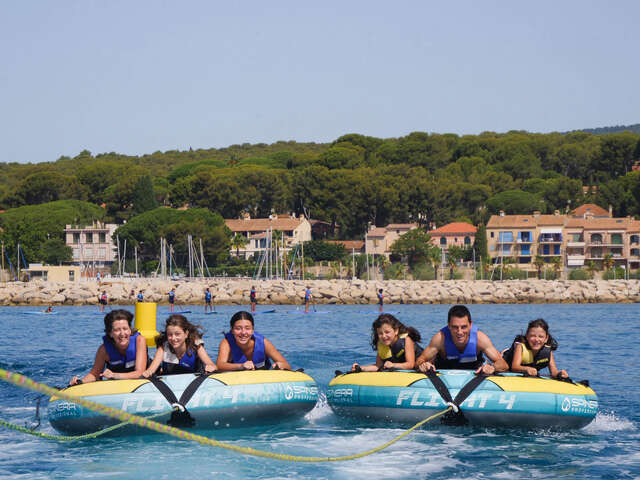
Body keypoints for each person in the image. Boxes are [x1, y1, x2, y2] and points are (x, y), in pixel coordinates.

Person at [416, 305, 508, 375]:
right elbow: (419, 361)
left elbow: (503, 365)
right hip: (443, 374)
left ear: (470, 325)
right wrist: (424, 365)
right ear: (448, 326)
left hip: (474, 376)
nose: (460, 332)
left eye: (464, 327)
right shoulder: (440, 339)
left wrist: (492, 367)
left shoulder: (480, 339)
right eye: (455, 327)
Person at [69, 309, 147, 385]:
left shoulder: (139, 341)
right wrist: (79, 382)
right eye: (117, 330)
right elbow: (94, 374)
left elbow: (140, 373)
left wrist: (114, 375)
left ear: (130, 330)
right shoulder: (104, 350)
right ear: (110, 333)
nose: (122, 333)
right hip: (117, 383)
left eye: (125, 329)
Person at [143, 315, 216, 377]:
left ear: (186, 334)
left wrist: (210, 367)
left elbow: (212, 365)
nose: (173, 338)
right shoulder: (163, 348)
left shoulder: (196, 346)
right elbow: (151, 369)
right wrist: (148, 372)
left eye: (177, 334)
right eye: (170, 335)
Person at [216, 311, 290, 371]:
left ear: (252, 330)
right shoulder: (226, 343)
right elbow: (220, 365)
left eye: (247, 328)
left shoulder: (263, 343)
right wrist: (241, 366)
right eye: (238, 328)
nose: (243, 332)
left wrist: (280, 365)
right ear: (232, 330)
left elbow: (286, 365)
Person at [351, 314, 423, 372]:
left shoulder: (406, 340)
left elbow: (410, 364)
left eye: (387, 332)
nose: (384, 336)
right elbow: (378, 366)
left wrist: (393, 365)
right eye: (380, 333)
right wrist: (361, 368)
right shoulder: (382, 345)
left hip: (425, 366)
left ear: (396, 331)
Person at [502, 318, 568, 379]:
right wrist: (527, 369)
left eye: (541, 336)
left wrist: (560, 374)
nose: (536, 339)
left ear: (546, 339)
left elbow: (553, 371)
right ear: (527, 336)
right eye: (533, 336)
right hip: (505, 363)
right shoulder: (520, 346)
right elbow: (514, 367)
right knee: (500, 366)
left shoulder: (547, 351)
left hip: (526, 372)